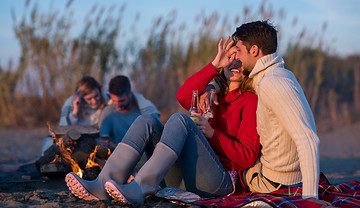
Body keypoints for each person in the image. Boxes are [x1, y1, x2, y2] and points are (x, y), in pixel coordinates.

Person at [64, 39, 260, 205]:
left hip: (218, 183)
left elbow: (247, 157)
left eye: (240, 59)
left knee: (180, 120)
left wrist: (212, 134)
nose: (235, 62)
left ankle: (140, 187)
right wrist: (214, 66)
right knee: (146, 121)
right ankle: (102, 184)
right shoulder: (210, 93)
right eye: (231, 57)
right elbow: (183, 95)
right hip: (185, 177)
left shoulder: (250, 100)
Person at [204, 21, 331, 207]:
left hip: (272, 181)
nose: (235, 57)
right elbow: (240, 83)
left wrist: (310, 197)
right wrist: (212, 86)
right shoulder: (273, 75)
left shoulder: (274, 83)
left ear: (254, 50)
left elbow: (308, 138)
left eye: (238, 50)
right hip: (277, 174)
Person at [41, 76, 109, 155]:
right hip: (76, 140)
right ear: (81, 98)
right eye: (89, 99)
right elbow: (63, 129)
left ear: (100, 91)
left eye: (96, 96)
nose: (94, 101)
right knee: (49, 144)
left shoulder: (108, 98)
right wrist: (75, 112)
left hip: (96, 140)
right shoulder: (70, 103)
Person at [98, 75, 160, 146]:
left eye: (121, 101)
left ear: (130, 94)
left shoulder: (147, 112)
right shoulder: (108, 112)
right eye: (114, 101)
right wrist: (105, 142)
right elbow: (103, 138)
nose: (118, 104)